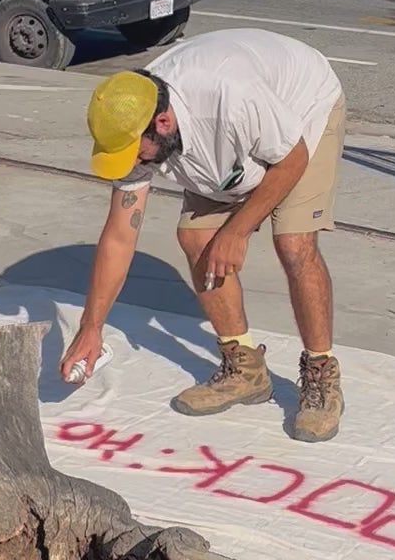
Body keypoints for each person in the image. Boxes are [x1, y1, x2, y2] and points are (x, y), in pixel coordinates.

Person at [59, 28, 346, 442]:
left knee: (293, 243)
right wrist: (91, 326)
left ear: (163, 122)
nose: (136, 163)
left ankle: (321, 374)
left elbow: (292, 160)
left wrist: (238, 229)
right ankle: (244, 369)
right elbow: (120, 236)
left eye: (138, 152)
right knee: (196, 237)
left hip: (303, 115)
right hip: (230, 149)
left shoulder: (232, 96)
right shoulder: (138, 121)